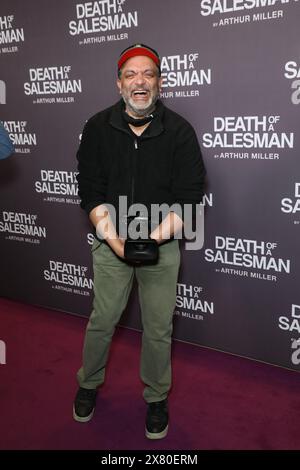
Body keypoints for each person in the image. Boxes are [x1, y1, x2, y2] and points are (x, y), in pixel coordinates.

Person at [74, 43, 206, 439]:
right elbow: (90, 191)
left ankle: (156, 397)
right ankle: (88, 383)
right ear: (119, 84)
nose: (140, 81)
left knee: (158, 327)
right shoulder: (97, 127)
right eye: (131, 74)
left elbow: (190, 194)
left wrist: (151, 238)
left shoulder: (179, 131)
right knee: (103, 321)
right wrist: (116, 241)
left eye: (148, 74)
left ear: (160, 83)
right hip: (110, 240)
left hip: (161, 244)